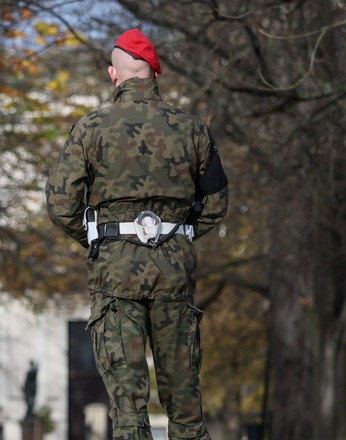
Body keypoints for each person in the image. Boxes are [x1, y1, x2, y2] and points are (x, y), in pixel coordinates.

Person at [45, 28, 228, 440]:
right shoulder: (193, 129)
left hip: (115, 272)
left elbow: (60, 203)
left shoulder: (91, 127)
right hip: (173, 271)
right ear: (155, 74)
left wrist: (100, 240)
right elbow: (216, 202)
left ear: (114, 74)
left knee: (126, 405)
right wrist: (177, 237)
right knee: (184, 402)